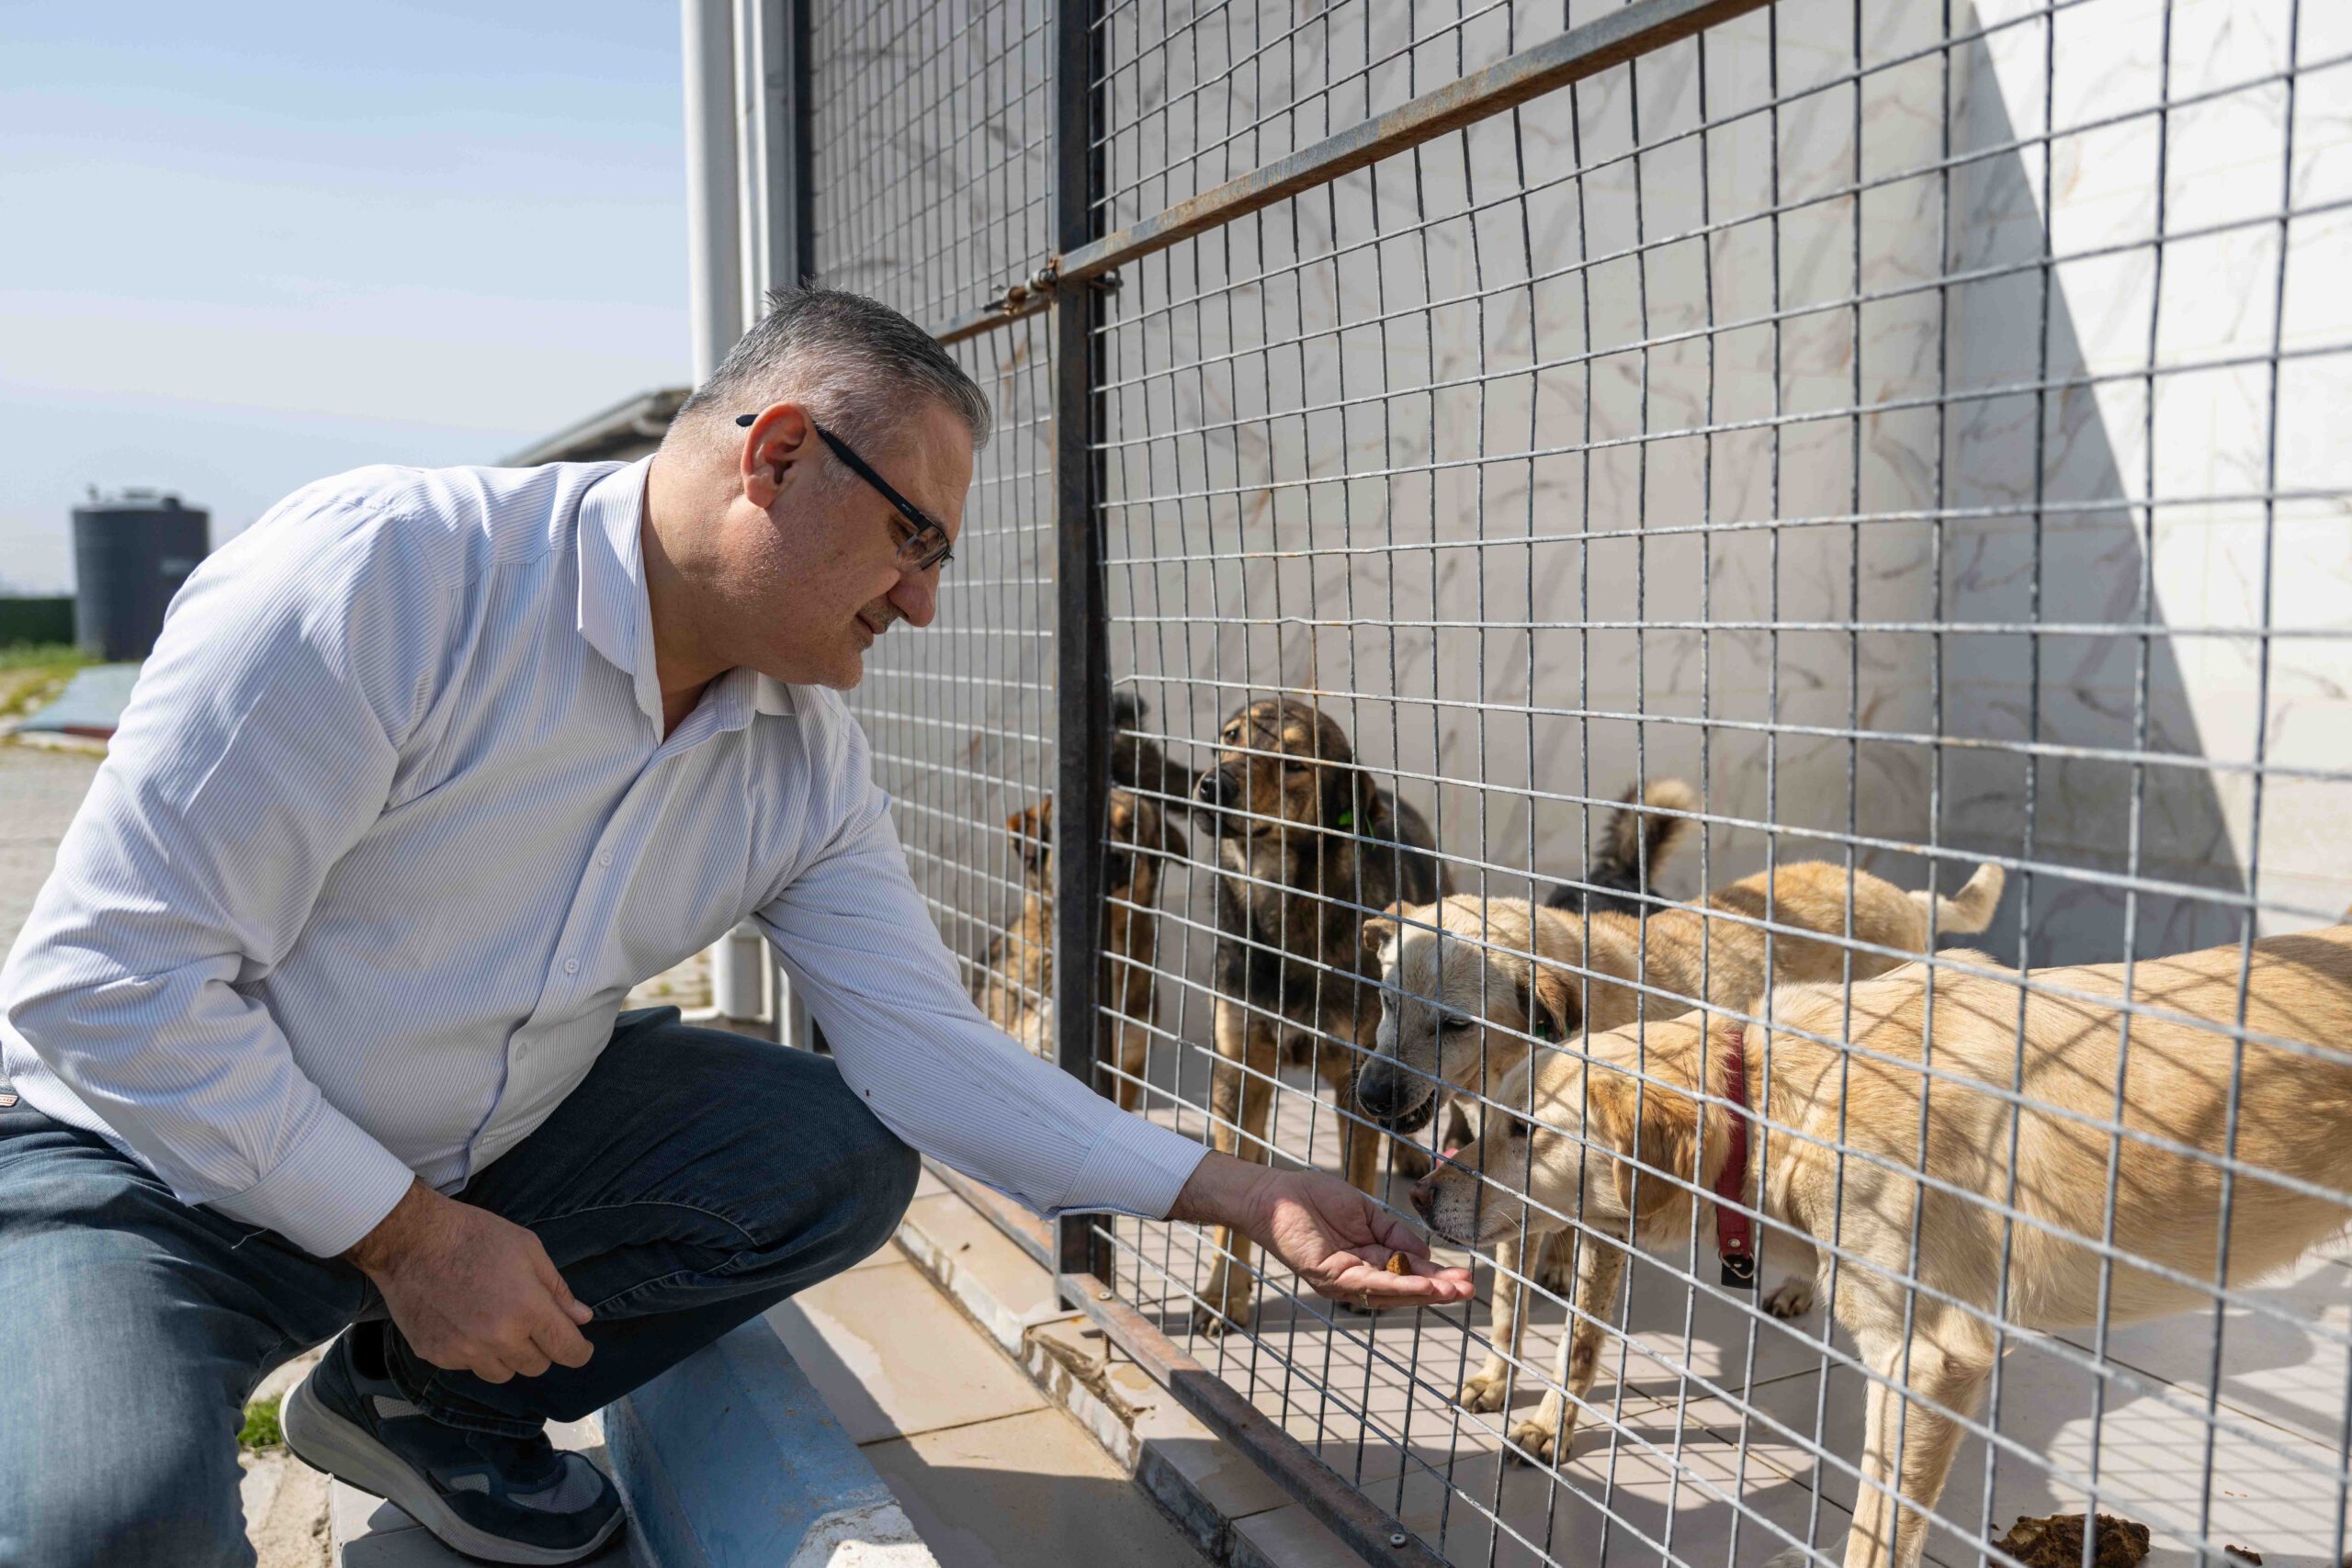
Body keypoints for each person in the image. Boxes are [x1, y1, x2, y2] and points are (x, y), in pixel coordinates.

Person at [0, 288, 1472, 1568]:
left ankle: (411, 1407)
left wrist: (1237, 1191)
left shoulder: (797, 755)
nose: (926, 602)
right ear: (774, 455)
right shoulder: (384, 580)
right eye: (915, 539)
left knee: (824, 1148)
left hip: (473, 1159)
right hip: (145, 1179)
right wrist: (407, 1238)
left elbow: (927, 1053)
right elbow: (106, 988)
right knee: (107, 1534)